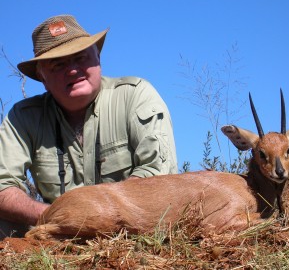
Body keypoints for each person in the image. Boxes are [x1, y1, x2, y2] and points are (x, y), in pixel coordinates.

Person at [0, 14, 178, 239]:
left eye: (81, 57)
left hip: (130, 230)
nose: (73, 70)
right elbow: (2, 186)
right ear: (42, 77)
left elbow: (157, 176)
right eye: (58, 64)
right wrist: (61, 219)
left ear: (98, 58)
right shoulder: (23, 117)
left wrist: (95, 221)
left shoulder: (136, 95)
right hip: (55, 230)